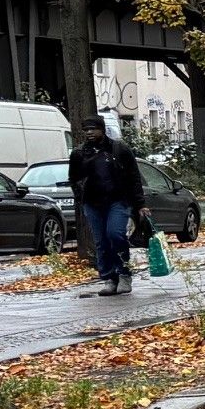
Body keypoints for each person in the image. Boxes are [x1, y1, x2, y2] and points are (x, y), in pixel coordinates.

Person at [66, 115, 147, 295]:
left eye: (93, 129)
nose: (89, 133)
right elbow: (73, 178)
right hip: (93, 203)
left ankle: (124, 273)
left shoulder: (119, 149)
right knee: (101, 241)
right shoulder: (79, 154)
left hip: (118, 200)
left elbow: (134, 177)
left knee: (115, 234)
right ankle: (109, 278)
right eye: (86, 130)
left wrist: (140, 204)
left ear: (102, 129)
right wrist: (80, 197)